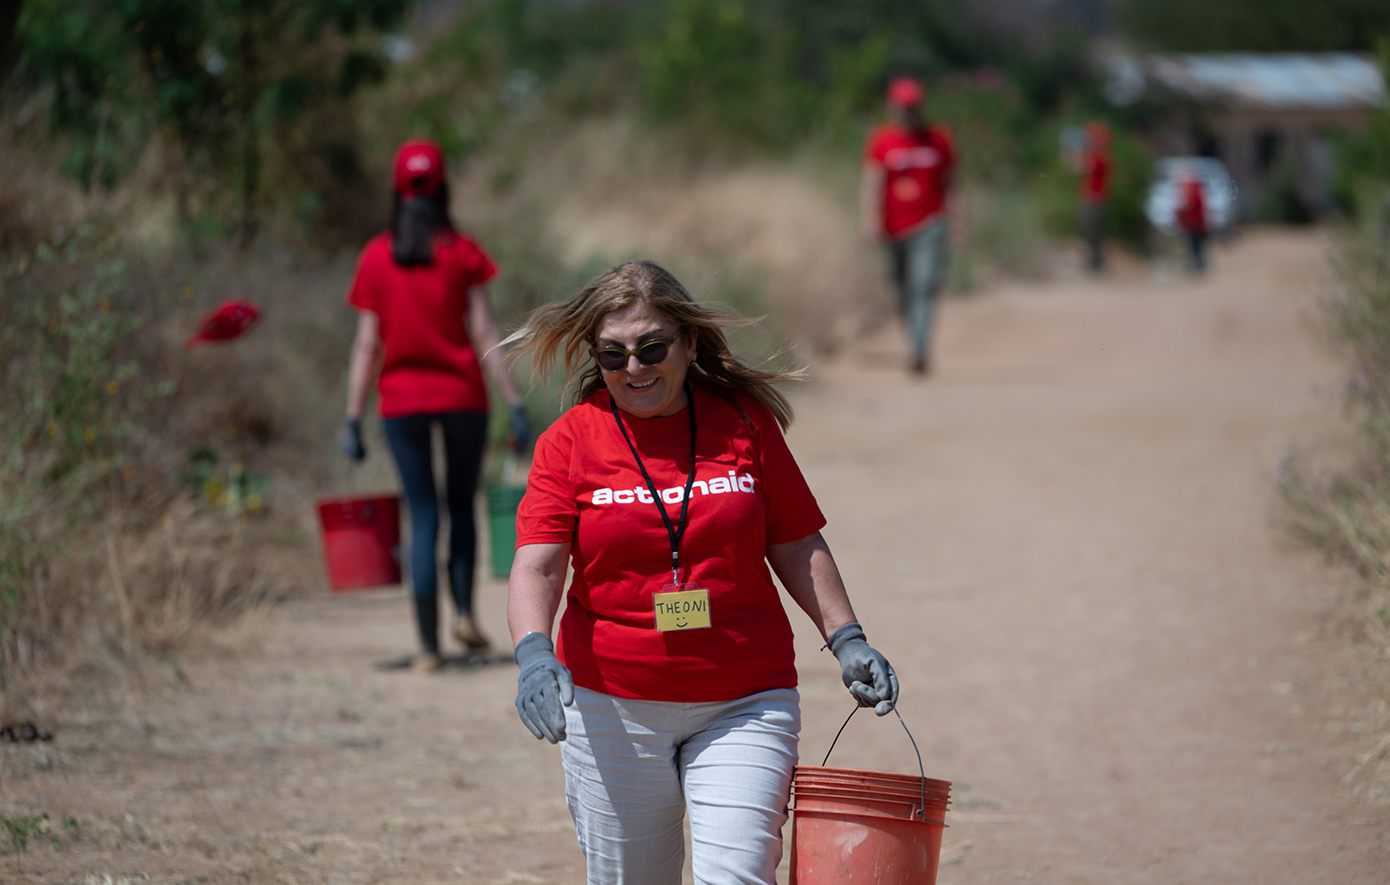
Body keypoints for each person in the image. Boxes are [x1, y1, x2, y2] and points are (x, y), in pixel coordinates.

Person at [501, 261, 899, 885]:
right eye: (613, 355)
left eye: (652, 347)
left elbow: (796, 543)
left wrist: (847, 638)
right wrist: (532, 653)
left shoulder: (744, 424)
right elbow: (538, 565)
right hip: (611, 703)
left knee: (738, 874)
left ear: (688, 345)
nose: (634, 368)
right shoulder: (568, 442)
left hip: (744, 698)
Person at [342, 138, 531, 673]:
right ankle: (466, 613)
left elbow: (366, 345)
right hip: (462, 399)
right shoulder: (462, 252)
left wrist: (352, 417)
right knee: (459, 509)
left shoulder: (376, 256)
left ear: (396, 191)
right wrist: (514, 401)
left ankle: (427, 648)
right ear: (444, 187)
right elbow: (485, 331)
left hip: (401, 404)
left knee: (422, 516)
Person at [860, 74, 956, 376]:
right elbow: (872, 183)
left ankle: (919, 350)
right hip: (894, 228)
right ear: (893, 107)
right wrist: (870, 219)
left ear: (921, 107)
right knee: (902, 288)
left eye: (912, 107)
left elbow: (953, 184)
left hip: (930, 223)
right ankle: (913, 338)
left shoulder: (938, 139)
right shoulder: (882, 140)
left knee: (924, 286)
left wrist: (960, 222)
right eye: (903, 107)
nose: (908, 113)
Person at [1078, 120, 1111, 273]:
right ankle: (1094, 263)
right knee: (1091, 232)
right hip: (1092, 197)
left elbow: (1083, 167)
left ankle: (1096, 264)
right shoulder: (1098, 156)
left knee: (1094, 233)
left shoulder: (1100, 158)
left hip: (1096, 198)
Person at [1176, 164, 1209, 273]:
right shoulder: (1196, 193)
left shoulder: (1194, 195)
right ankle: (1195, 265)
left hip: (1195, 225)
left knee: (1195, 246)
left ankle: (1198, 266)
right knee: (1194, 246)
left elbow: (1189, 207)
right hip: (1192, 225)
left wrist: (1180, 211)